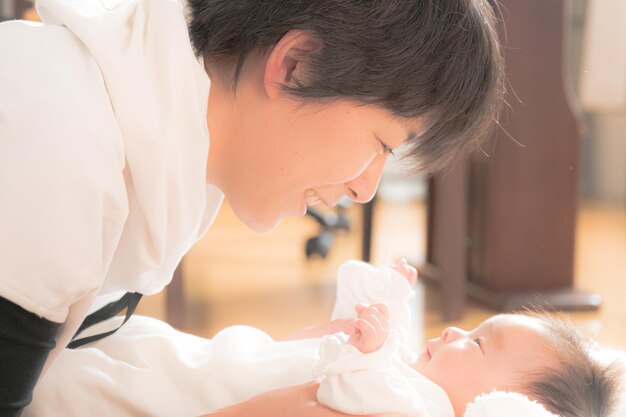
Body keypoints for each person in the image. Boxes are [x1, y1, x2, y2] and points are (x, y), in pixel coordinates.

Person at [0, 0, 505, 416]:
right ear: (294, 65)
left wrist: (275, 363)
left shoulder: (175, 161)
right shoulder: (58, 145)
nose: (365, 189)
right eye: (381, 144)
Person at [22, 260, 623, 417]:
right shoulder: (409, 380)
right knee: (139, 351)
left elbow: (349, 387)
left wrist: (364, 348)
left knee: (88, 383)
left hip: (188, 389)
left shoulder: (415, 405)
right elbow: (307, 355)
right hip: (214, 360)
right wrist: (365, 320)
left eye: (481, 344)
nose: (456, 328)